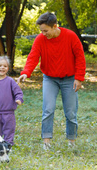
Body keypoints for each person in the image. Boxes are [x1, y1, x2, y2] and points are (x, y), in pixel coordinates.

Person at [17, 12, 86, 150]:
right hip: (50, 79)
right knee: (48, 109)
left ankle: (71, 142)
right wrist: (26, 72)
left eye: (45, 30)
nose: (43, 33)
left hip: (69, 79)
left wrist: (79, 78)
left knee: (71, 112)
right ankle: (46, 143)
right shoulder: (40, 40)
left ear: (55, 26)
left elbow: (80, 57)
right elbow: (33, 57)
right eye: (41, 31)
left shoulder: (70, 36)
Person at [0, 56, 23, 145]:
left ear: (8, 68)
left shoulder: (10, 81)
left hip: (9, 112)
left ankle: (8, 144)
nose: (2, 68)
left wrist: (19, 99)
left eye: (5, 66)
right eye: (0, 66)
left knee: (9, 129)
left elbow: (18, 91)